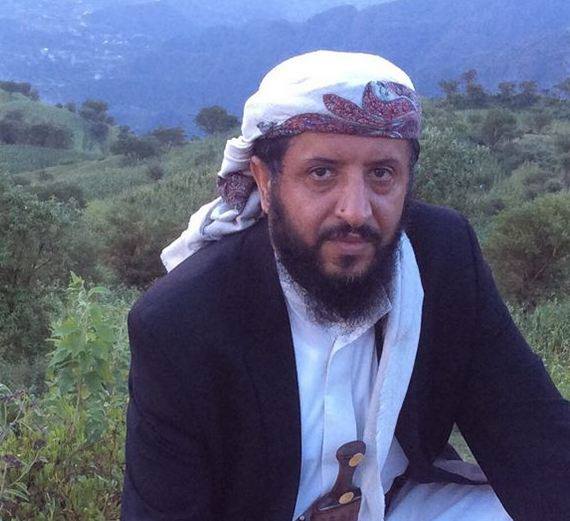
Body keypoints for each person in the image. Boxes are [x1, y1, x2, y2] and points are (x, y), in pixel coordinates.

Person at [120, 51, 570, 521]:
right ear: (265, 182)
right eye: (322, 173)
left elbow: (532, 430)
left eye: (381, 174)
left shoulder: (442, 253)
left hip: (396, 503)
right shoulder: (182, 320)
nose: (356, 210)